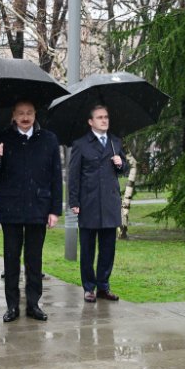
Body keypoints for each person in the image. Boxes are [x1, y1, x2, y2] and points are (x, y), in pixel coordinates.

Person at [0, 100, 62, 323]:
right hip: (11, 209)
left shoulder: (48, 139)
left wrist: (55, 210)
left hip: (39, 207)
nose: (25, 117)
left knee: (34, 260)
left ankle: (33, 304)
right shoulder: (2, 138)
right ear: (13, 115)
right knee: (11, 260)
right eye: (21, 113)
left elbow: (56, 177)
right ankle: (11, 306)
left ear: (35, 113)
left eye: (29, 113)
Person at [69, 105, 127, 303]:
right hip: (89, 203)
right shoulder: (81, 144)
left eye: (106, 117)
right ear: (91, 122)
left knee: (108, 249)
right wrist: (74, 201)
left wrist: (121, 163)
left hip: (110, 204)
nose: (104, 120)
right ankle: (88, 287)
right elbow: (74, 175)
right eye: (100, 117)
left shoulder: (115, 142)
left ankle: (104, 285)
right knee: (87, 249)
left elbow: (122, 170)